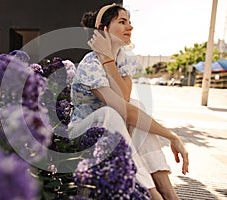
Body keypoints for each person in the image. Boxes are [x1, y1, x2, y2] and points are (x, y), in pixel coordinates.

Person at [68, 3, 189, 200]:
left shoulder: (123, 59)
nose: (130, 27)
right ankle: (151, 193)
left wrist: (108, 59)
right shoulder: (90, 64)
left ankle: (168, 192)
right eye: (122, 22)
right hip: (84, 134)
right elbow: (122, 109)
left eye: (130, 22)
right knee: (113, 112)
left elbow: (124, 99)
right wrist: (170, 135)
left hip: (112, 131)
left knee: (136, 107)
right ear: (103, 30)